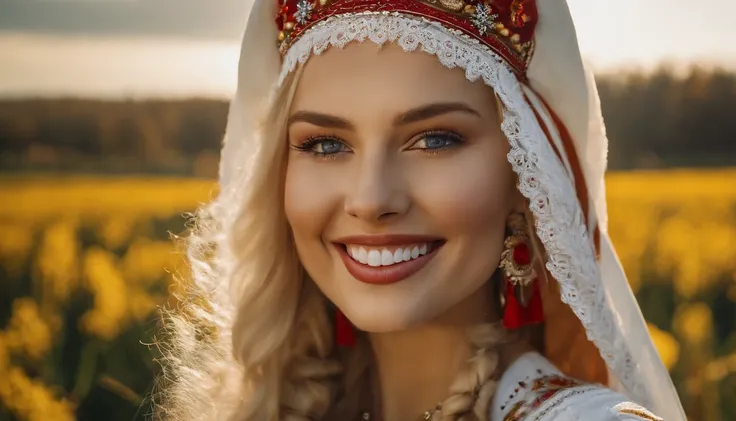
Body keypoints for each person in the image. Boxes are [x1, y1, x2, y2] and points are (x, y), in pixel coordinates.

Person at [156, 0, 687, 420]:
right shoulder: (276, 406)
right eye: (324, 144)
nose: (369, 199)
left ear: (525, 179)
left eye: (435, 140)